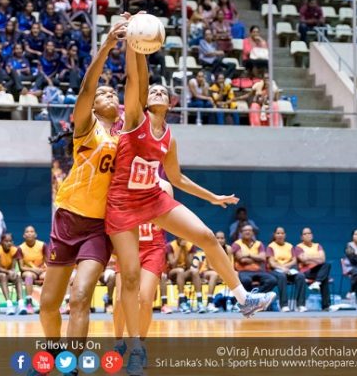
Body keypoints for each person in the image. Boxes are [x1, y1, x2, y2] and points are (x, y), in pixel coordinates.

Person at [106, 37, 276, 375]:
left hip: (152, 199)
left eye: (161, 92)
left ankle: (244, 300)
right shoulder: (134, 118)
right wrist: (135, 45)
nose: (154, 92)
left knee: (208, 237)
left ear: (170, 103)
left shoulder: (169, 137)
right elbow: (134, 78)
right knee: (128, 282)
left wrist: (213, 197)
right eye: (151, 90)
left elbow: (178, 179)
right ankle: (133, 348)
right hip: (122, 205)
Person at [37, 20, 128, 343]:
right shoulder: (87, 128)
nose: (106, 94)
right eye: (102, 92)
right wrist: (106, 46)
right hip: (67, 219)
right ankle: (51, 351)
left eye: (111, 92)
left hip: (98, 227)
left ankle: (71, 364)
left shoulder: (124, 137)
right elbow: (88, 89)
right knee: (48, 305)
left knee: (80, 298)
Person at [112, 179, 174, 361]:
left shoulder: (164, 186)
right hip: (128, 243)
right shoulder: (123, 182)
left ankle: (139, 346)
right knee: (119, 300)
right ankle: (119, 342)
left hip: (153, 246)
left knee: (146, 299)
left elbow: (168, 219)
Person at [267, 226, 307, 312]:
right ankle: (284, 305)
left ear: (285, 235)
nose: (280, 235)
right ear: (274, 235)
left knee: (301, 276)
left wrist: (286, 267)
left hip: (288, 270)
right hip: (275, 271)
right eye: (278, 233)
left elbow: (294, 260)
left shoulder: (290, 246)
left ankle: (300, 305)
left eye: (282, 233)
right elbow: (271, 263)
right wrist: (282, 268)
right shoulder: (271, 246)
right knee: (282, 276)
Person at [0, 233, 26, 315]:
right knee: (4, 276)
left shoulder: (16, 250)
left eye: (10, 241)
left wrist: (13, 272)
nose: (8, 243)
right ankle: (9, 305)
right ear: (1, 242)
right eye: (6, 241)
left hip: (11, 272)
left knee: (18, 277)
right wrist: (9, 272)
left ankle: (21, 303)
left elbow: (14, 267)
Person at [233, 225, 278, 294]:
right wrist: (257, 259)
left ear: (253, 233)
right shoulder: (236, 244)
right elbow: (242, 260)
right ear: (241, 233)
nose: (247, 232)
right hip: (243, 271)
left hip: (258, 271)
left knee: (272, 280)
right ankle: (248, 299)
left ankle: (255, 295)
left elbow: (263, 258)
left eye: (250, 230)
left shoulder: (259, 244)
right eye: (245, 230)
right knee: (246, 280)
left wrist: (248, 255)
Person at [295, 227, 332, 311]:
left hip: (318, 271)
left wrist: (309, 258)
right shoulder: (298, 247)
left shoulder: (317, 245)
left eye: (309, 233)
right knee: (324, 277)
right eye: (305, 234)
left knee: (327, 265)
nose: (307, 235)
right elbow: (303, 259)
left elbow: (322, 259)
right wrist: (316, 258)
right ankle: (325, 304)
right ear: (301, 237)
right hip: (306, 271)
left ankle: (317, 283)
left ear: (312, 235)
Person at [166, 236, 203, 313]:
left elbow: (189, 265)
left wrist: (185, 250)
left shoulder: (190, 246)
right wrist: (180, 249)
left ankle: (200, 302)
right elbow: (173, 264)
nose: (183, 239)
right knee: (180, 270)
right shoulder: (170, 246)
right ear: (176, 238)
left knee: (195, 271)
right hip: (173, 272)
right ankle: (182, 302)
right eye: (180, 237)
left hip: (185, 272)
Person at [17, 225, 47, 315]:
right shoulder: (20, 248)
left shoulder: (42, 245)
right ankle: (29, 303)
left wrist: (41, 270)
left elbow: (48, 262)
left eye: (32, 231)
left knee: (48, 276)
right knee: (29, 276)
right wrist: (34, 270)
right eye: (27, 232)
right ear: (24, 236)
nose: (29, 233)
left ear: (36, 234)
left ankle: (45, 304)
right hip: (28, 271)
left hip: (42, 271)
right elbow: (21, 267)